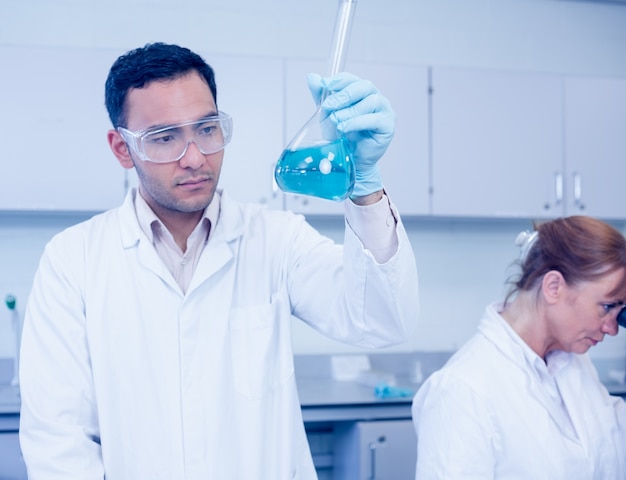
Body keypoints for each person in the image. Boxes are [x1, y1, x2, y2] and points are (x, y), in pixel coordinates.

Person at [18, 42, 418, 479]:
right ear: (121, 148)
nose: (194, 158)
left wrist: (365, 187)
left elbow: (381, 320)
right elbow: (58, 442)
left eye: (207, 129)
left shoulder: (275, 239)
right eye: (165, 137)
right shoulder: (73, 260)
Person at [412, 215, 626, 479]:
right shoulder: (461, 391)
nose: (612, 328)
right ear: (554, 287)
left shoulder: (573, 364)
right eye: (607, 307)